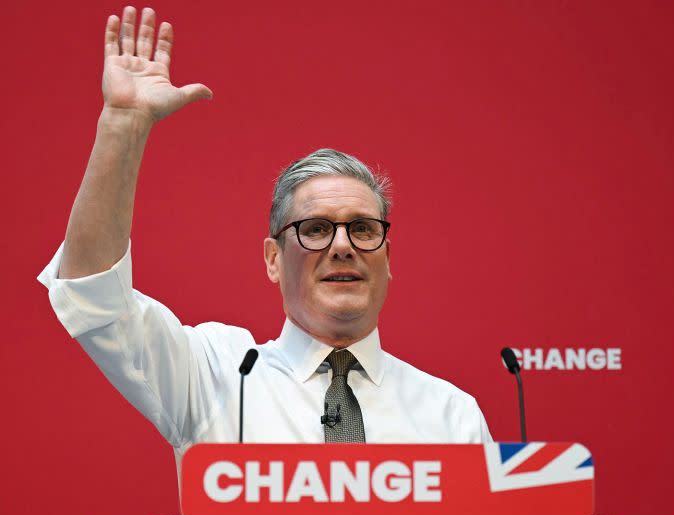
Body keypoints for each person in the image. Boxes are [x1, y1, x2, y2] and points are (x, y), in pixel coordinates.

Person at [37, 6, 492, 476]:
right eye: (315, 229)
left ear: (387, 256)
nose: (343, 246)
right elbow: (92, 291)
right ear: (273, 259)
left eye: (363, 229)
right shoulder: (219, 375)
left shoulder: (451, 417)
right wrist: (123, 125)